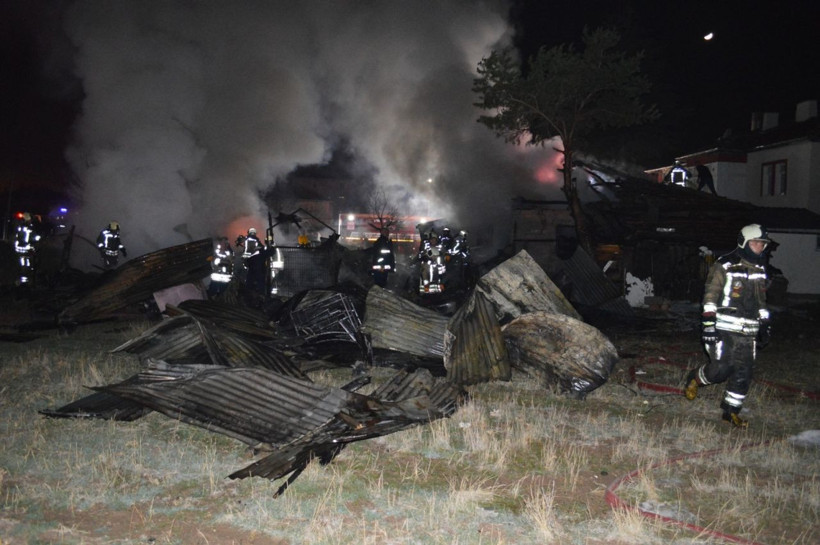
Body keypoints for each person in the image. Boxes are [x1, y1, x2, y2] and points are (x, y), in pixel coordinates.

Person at [684, 224, 772, 428]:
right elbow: (710, 296)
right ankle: (695, 378)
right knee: (722, 369)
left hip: (748, 331)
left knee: (744, 373)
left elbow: (761, 301)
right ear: (744, 242)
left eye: (763, 243)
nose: (761, 246)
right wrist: (708, 326)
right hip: (725, 327)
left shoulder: (759, 269)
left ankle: (731, 412)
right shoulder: (724, 265)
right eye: (757, 242)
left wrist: (765, 323)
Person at [14, 212, 41, 285]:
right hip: (26, 249)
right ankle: (25, 282)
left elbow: (17, 238)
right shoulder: (29, 228)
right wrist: (39, 238)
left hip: (19, 249)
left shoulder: (20, 227)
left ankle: (20, 280)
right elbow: (34, 238)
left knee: (21, 264)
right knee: (27, 265)